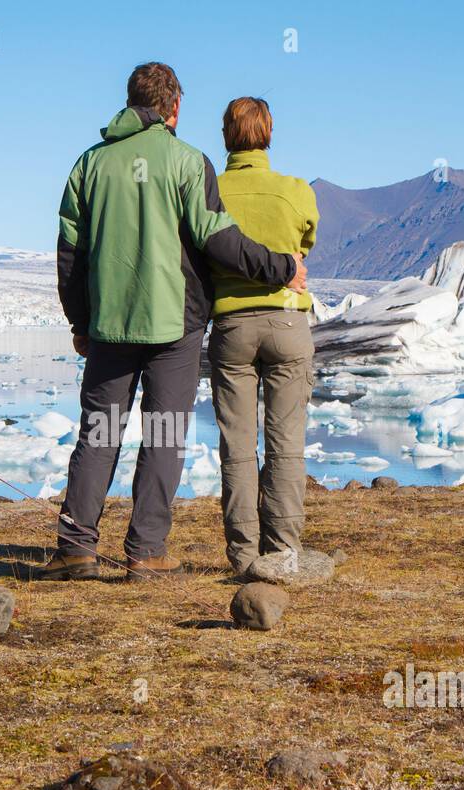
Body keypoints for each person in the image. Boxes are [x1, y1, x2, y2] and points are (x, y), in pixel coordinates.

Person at [42, 63, 307, 581]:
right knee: (163, 435)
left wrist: (80, 320)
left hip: (109, 327)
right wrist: (281, 267)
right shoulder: (188, 162)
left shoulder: (88, 165)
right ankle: (145, 552)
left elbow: (69, 254)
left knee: (98, 434)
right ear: (174, 107)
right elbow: (218, 241)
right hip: (175, 328)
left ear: (130, 101)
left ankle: (76, 548)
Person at [207, 97, 320, 575]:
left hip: (232, 325)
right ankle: (284, 551)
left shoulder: (211, 190)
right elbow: (306, 242)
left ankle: (244, 555)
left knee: (237, 444)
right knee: (286, 442)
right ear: (269, 133)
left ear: (226, 135)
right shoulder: (294, 190)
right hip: (288, 323)